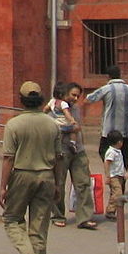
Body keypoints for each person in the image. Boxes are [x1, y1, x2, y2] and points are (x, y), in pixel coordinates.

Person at [0, 81, 60, 254]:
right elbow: (59, 158)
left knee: (12, 218)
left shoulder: (14, 124)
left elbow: (8, 158)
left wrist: (3, 187)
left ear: (22, 100)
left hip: (22, 174)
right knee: (39, 224)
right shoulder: (52, 125)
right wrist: (58, 184)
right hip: (47, 175)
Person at [85, 64, 128, 171]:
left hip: (109, 131)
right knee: (124, 157)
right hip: (126, 131)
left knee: (103, 151)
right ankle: (121, 181)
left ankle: (113, 170)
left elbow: (88, 99)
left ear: (108, 76)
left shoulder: (106, 89)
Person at [62, 82, 97, 229]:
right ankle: (57, 214)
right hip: (61, 149)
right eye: (73, 95)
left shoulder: (76, 108)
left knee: (83, 183)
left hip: (78, 149)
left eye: (77, 95)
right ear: (65, 94)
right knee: (58, 183)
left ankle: (84, 217)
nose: (75, 98)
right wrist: (69, 128)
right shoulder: (56, 108)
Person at [45, 83, 75, 226]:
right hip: (63, 131)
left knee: (57, 179)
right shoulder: (63, 104)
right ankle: (57, 213)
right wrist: (72, 121)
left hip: (53, 130)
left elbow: (43, 111)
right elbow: (68, 115)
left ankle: (56, 213)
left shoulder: (51, 102)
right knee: (59, 180)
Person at [103, 130, 127, 218]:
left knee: (114, 193)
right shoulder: (111, 152)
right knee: (118, 193)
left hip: (119, 175)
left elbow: (121, 163)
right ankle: (110, 210)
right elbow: (107, 163)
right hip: (113, 176)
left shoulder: (118, 151)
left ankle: (112, 211)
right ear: (119, 142)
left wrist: (124, 172)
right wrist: (107, 176)